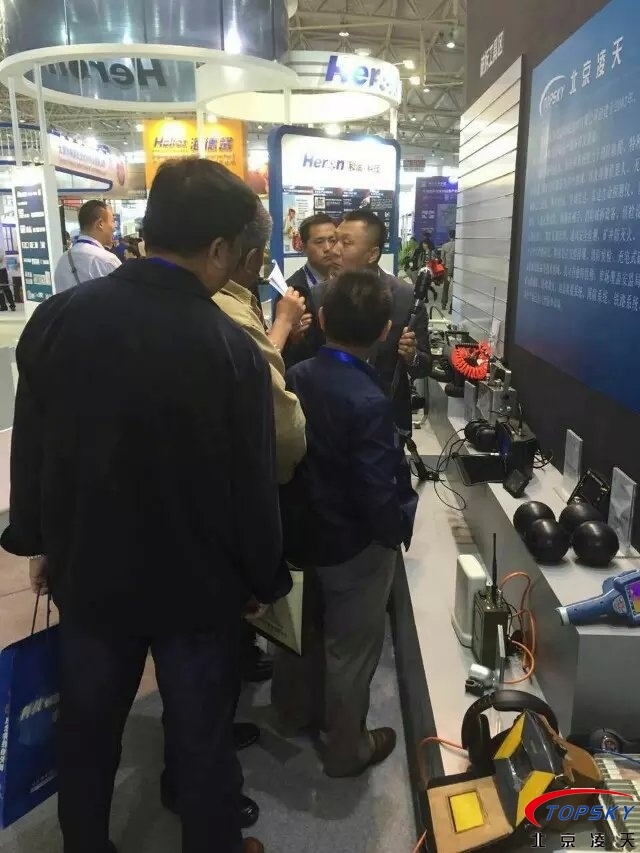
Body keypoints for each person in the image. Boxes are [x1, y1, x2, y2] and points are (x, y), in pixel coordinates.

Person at [1, 158, 293, 853]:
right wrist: (263, 577)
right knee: (201, 734)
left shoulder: (57, 318)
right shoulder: (231, 349)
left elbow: (33, 448)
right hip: (197, 586)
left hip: (90, 572)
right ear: (219, 248)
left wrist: (38, 539)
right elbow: (251, 483)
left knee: (87, 727)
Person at [273, 270, 416, 777]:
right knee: (350, 650)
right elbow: (377, 488)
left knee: (298, 630)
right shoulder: (370, 400)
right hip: (354, 546)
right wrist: (395, 530)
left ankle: (291, 713)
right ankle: (345, 749)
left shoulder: (294, 376)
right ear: (385, 331)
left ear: (322, 318)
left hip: (297, 532)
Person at [313, 209, 431, 434]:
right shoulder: (320, 295)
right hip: (328, 421)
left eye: (346, 243)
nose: (334, 250)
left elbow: (424, 367)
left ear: (372, 254)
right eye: (335, 240)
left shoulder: (405, 298)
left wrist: (412, 356)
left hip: (386, 422)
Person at [280, 213, 336, 367]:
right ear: (303, 246)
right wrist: (293, 337)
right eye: (319, 242)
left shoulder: (345, 280)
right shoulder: (291, 291)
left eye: (332, 240)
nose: (328, 248)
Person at [53, 200, 121, 292]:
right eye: (112, 221)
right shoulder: (107, 261)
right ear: (100, 224)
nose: (114, 228)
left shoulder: (63, 260)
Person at [440, 229, 456, 311]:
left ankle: (444, 304)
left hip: (447, 269)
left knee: (446, 287)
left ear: (449, 236)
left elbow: (442, 259)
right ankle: (452, 307)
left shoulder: (445, 245)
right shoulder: (459, 245)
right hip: (456, 270)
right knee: (455, 288)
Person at [0, 244, 16, 311]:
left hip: (2, 271)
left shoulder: (0, 249)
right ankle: (3, 306)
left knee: (6, 288)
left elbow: (0, 259)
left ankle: (12, 305)